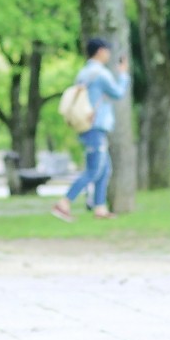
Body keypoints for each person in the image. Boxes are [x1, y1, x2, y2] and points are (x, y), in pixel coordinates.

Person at [52, 38, 131, 221]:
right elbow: (117, 93)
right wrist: (123, 75)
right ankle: (64, 203)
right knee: (94, 169)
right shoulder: (100, 74)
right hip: (96, 125)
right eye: (107, 51)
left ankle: (100, 208)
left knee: (104, 169)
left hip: (86, 125)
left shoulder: (84, 73)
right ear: (101, 51)